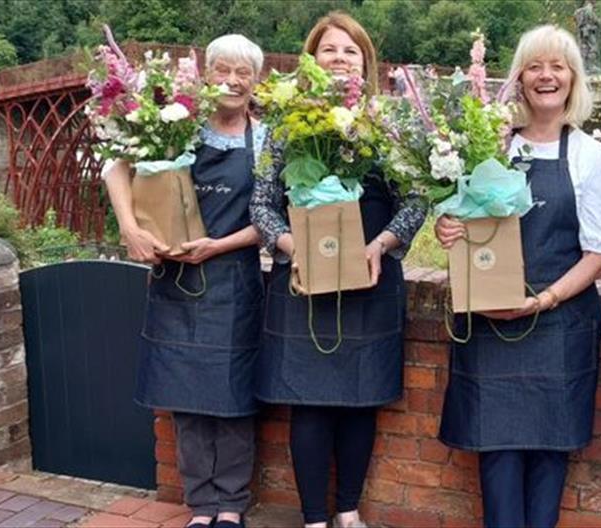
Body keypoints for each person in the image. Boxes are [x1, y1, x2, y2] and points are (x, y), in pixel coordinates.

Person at [249, 12, 425, 528]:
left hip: (371, 277)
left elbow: (415, 199)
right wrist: (290, 245)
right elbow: (261, 205)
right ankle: (313, 519)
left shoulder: (386, 123)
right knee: (308, 403)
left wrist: (383, 244)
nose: (340, 59)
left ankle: (348, 512)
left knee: (359, 398)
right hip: (302, 279)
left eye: (351, 51)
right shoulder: (284, 125)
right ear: (312, 60)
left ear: (365, 63)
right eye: (330, 50)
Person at [435, 25, 601, 528]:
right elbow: (456, 217)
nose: (546, 76)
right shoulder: (490, 145)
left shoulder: (590, 155)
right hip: (491, 320)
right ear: (518, 77)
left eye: (558, 66)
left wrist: (544, 300)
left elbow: (599, 252)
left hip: (559, 325)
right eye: (535, 65)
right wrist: (447, 224)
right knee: (496, 450)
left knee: (549, 451)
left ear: (573, 78)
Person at [104, 35, 267, 528]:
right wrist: (130, 227)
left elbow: (275, 216)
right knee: (186, 398)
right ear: (205, 75)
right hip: (174, 280)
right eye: (222, 70)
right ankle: (201, 505)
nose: (232, 81)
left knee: (234, 397)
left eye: (243, 73)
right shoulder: (175, 128)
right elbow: (116, 167)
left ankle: (232, 504)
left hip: (234, 279)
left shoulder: (264, 139)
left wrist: (219, 245)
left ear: (256, 81)